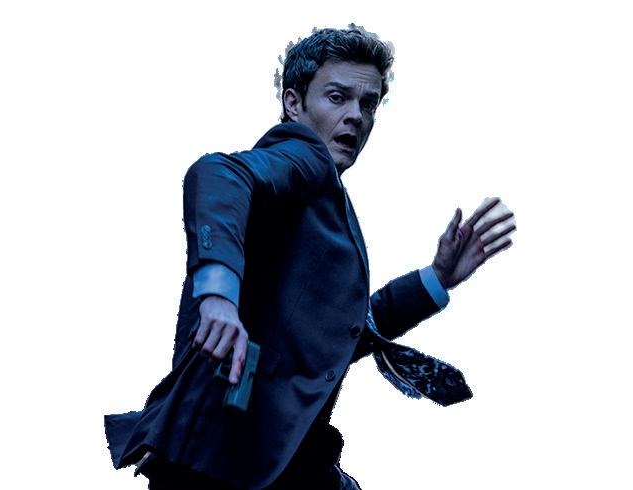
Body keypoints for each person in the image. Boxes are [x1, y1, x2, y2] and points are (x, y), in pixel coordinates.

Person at [104, 24, 515, 489]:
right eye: (337, 97)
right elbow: (219, 174)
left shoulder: (320, 201)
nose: (355, 116)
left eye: (368, 104)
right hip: (228, 457)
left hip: (278, 458)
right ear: (294, 103)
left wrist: (436, 278)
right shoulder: (303, 157)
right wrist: (217, 293)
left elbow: (341, 333)